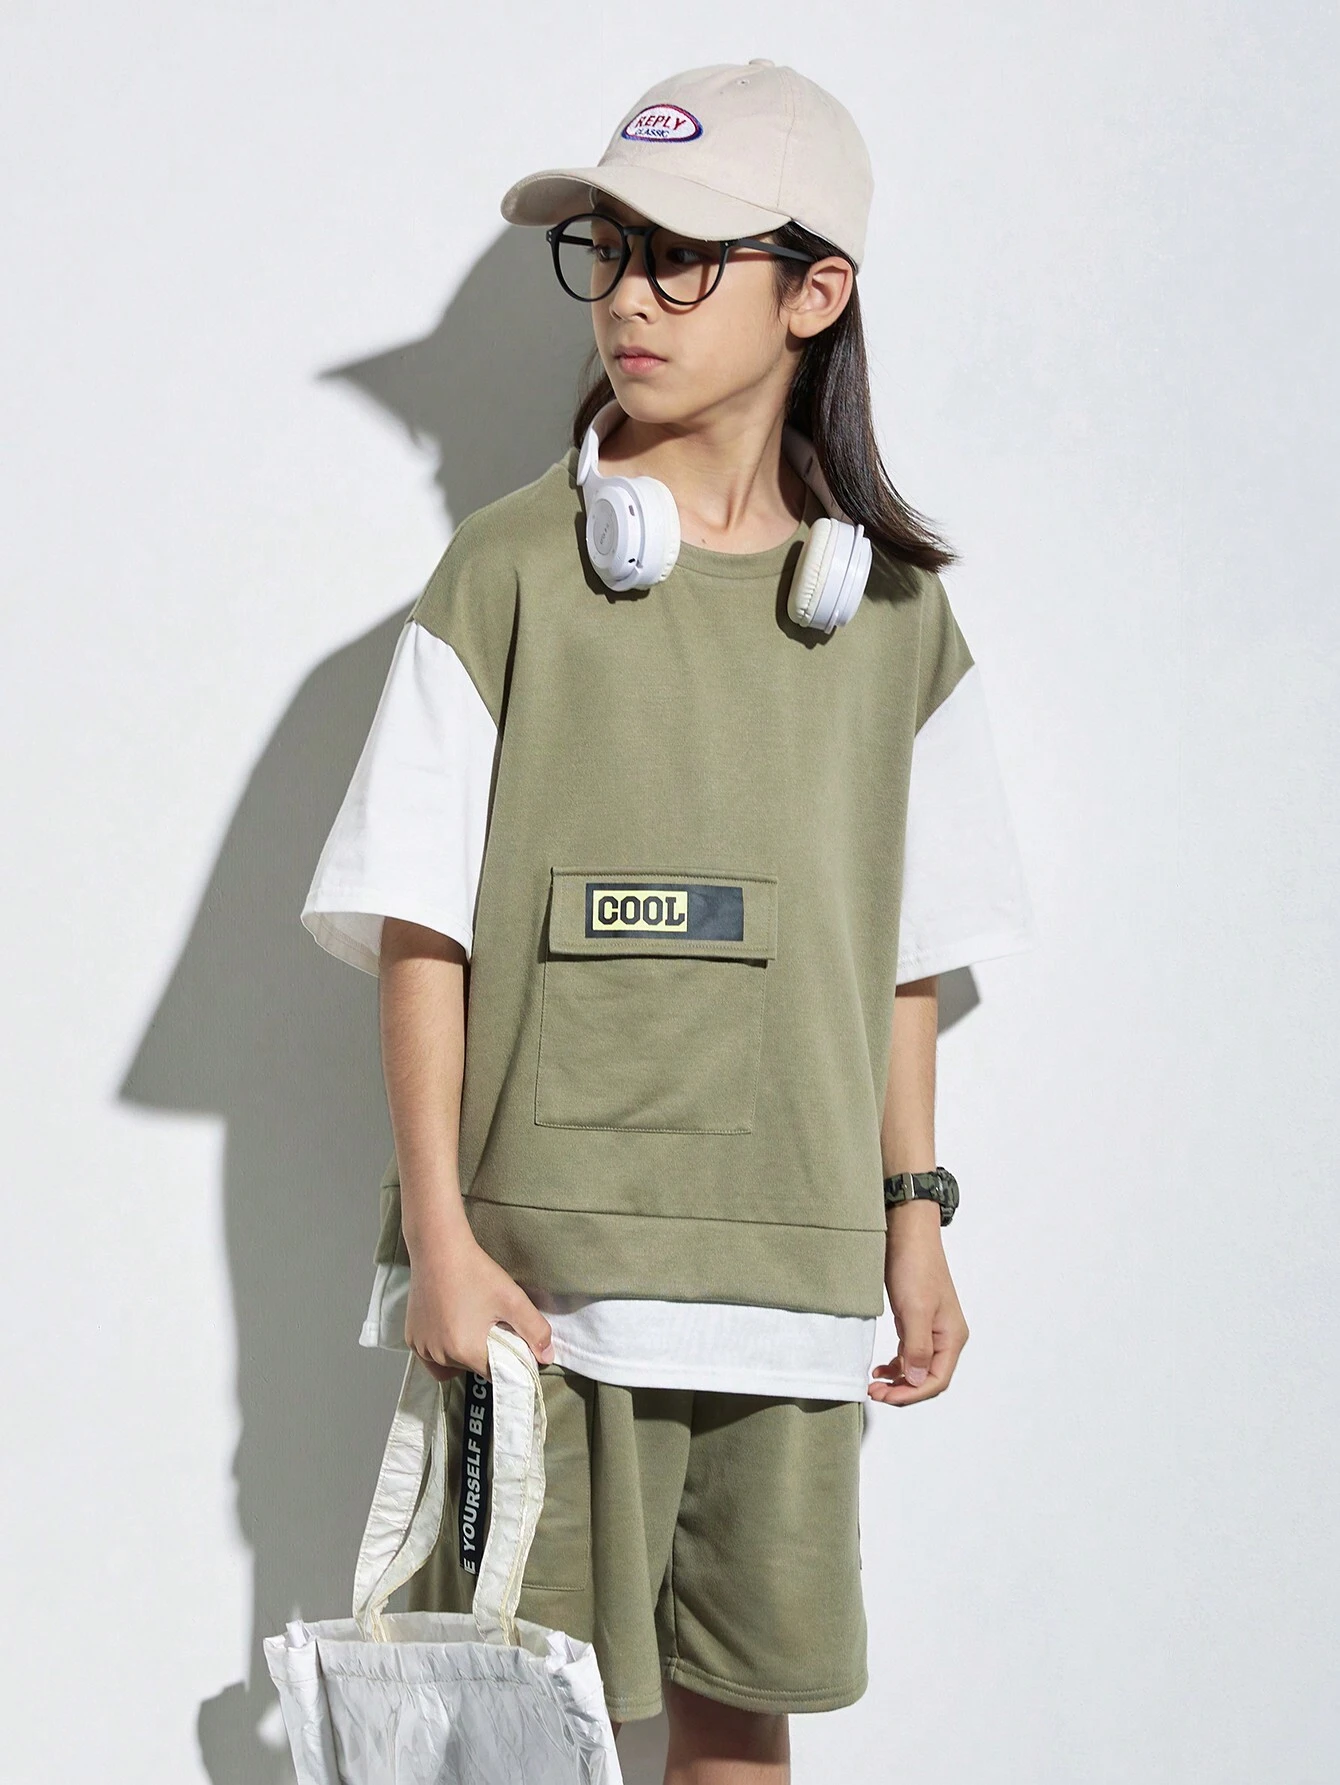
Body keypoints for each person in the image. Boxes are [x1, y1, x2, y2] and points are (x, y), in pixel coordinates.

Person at [300, 58, 1037, 1783]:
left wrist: (913, 1217)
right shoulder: (504, 574)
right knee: (502, 1737)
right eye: (614, 250)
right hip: (540, 1294)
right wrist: (439, 1239)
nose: (629, 295)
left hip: (787, 1289)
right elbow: (420, 931)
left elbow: (904, 956)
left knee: (737, 1725)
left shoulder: (895, 622)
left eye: (684, 259)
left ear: (816, 294)